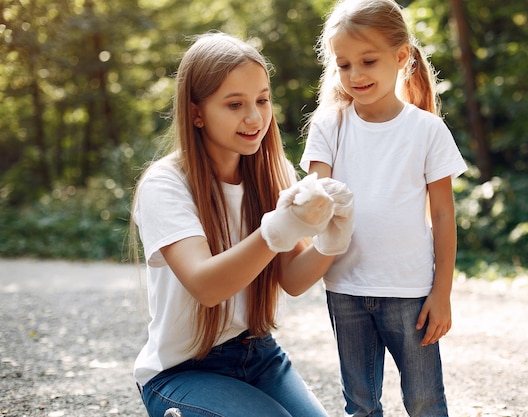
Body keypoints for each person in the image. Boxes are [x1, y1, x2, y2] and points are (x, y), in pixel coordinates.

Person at [130, 31, 354, 417]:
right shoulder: (165, 184)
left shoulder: (273, 172)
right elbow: (206, 285)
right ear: (196, 112)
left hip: (260, 353)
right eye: (234, 104)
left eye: (262, 100)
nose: (254, 117)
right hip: (182, 372)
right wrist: (277, 230)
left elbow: (294, 280)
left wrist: (331, 241)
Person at [300, 0, 468, 416]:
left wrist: (441, 291)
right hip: (345, 288)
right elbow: (319, 195)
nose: (355, 76)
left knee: (426, 401)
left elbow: (444, 216)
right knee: (359, 403)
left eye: (368, 61)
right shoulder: (328, 125)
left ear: (400, 56)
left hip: (410, 292)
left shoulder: (427, 130)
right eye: (343, 65)